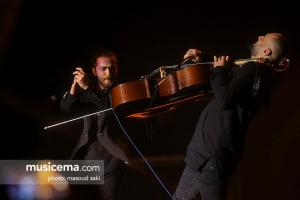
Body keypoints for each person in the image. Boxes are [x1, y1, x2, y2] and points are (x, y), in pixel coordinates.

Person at [174, 33, 289, 200]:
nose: (259, 36)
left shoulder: (253, 69)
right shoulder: (258, 72)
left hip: (210, 154)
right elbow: (232, 75)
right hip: (210, 154)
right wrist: (204, 59)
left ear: (266, 51)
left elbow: (224, 98)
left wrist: (219, 71)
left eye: (264, 37)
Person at [60, 50, 131, 200]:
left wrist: (88, 88)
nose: (108, 73)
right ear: (94, 70)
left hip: (110, 163)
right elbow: (65, 109)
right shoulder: (88, 91)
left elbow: (109, 109)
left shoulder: (123, 90)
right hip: (86, 162)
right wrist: (73, 90)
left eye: (112, 68)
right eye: (103, 68)